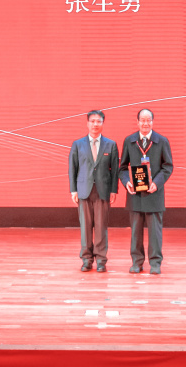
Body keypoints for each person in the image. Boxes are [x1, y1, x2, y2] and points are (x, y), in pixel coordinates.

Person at [119, 108, 173, 274]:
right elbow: (122, 168)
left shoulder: (162, 141)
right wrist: (127, 182)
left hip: (154, 193)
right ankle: (137, 262)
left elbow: (168, 166)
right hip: (135, 194)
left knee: (155, 232)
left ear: (152, 122)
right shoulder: (129, 141)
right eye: (142, 120)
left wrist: (157, 183)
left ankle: (155, 263)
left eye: (148, 120)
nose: (145, 123)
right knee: (135, 231)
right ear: (137, 122)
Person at [68, 109, 119, 272]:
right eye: (92, 121)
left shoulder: (111, 144)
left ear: (103, 123)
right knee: (85, 227)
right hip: (84, 190)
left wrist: (114, 190)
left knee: (101, 227)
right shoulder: (78, 144)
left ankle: (101, 260)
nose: (95, 124)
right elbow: (72, 168)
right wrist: (73, 190)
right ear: (87, 123)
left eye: (99, 121)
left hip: (103, 191)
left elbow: (115, 170)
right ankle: (86, 259)